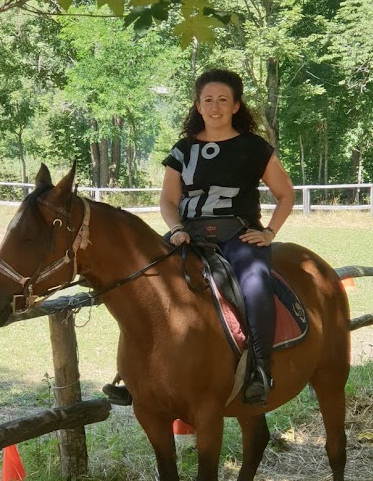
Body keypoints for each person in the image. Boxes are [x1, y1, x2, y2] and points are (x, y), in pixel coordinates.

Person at [103, 68, 295, 406]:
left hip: (237, 236)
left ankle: (260, 370)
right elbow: (168, 200)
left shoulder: (254, 148)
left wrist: (268, 232)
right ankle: (133, 374)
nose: (215, 107)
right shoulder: (183, 150)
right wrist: (176, 228)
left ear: (236, 105)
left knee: (255, 286)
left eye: (223, 100)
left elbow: (285, 194)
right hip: (186, 235)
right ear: (198, 105)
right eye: (208, 100)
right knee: (142, 285)